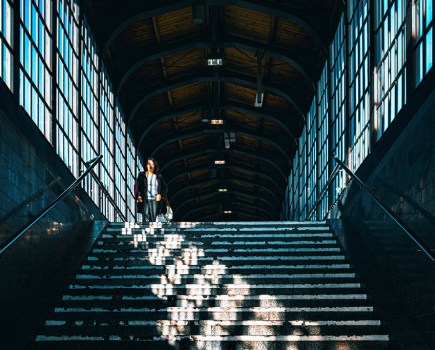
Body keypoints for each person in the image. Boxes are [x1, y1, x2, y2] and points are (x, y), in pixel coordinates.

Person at [134, 157, 168, 223]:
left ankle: (152, 232)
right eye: (149, 164)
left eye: (152, 164)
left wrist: (161, 195)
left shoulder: (158, 177)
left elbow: (165, 188)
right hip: (145, 199)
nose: (150, 166)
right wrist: (137, 195)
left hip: (154, 199)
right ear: (146, 166)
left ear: (155, 166)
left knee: (153, 217)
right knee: (145, 216)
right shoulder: (141, 175)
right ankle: (144, 230)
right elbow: (137, 186)